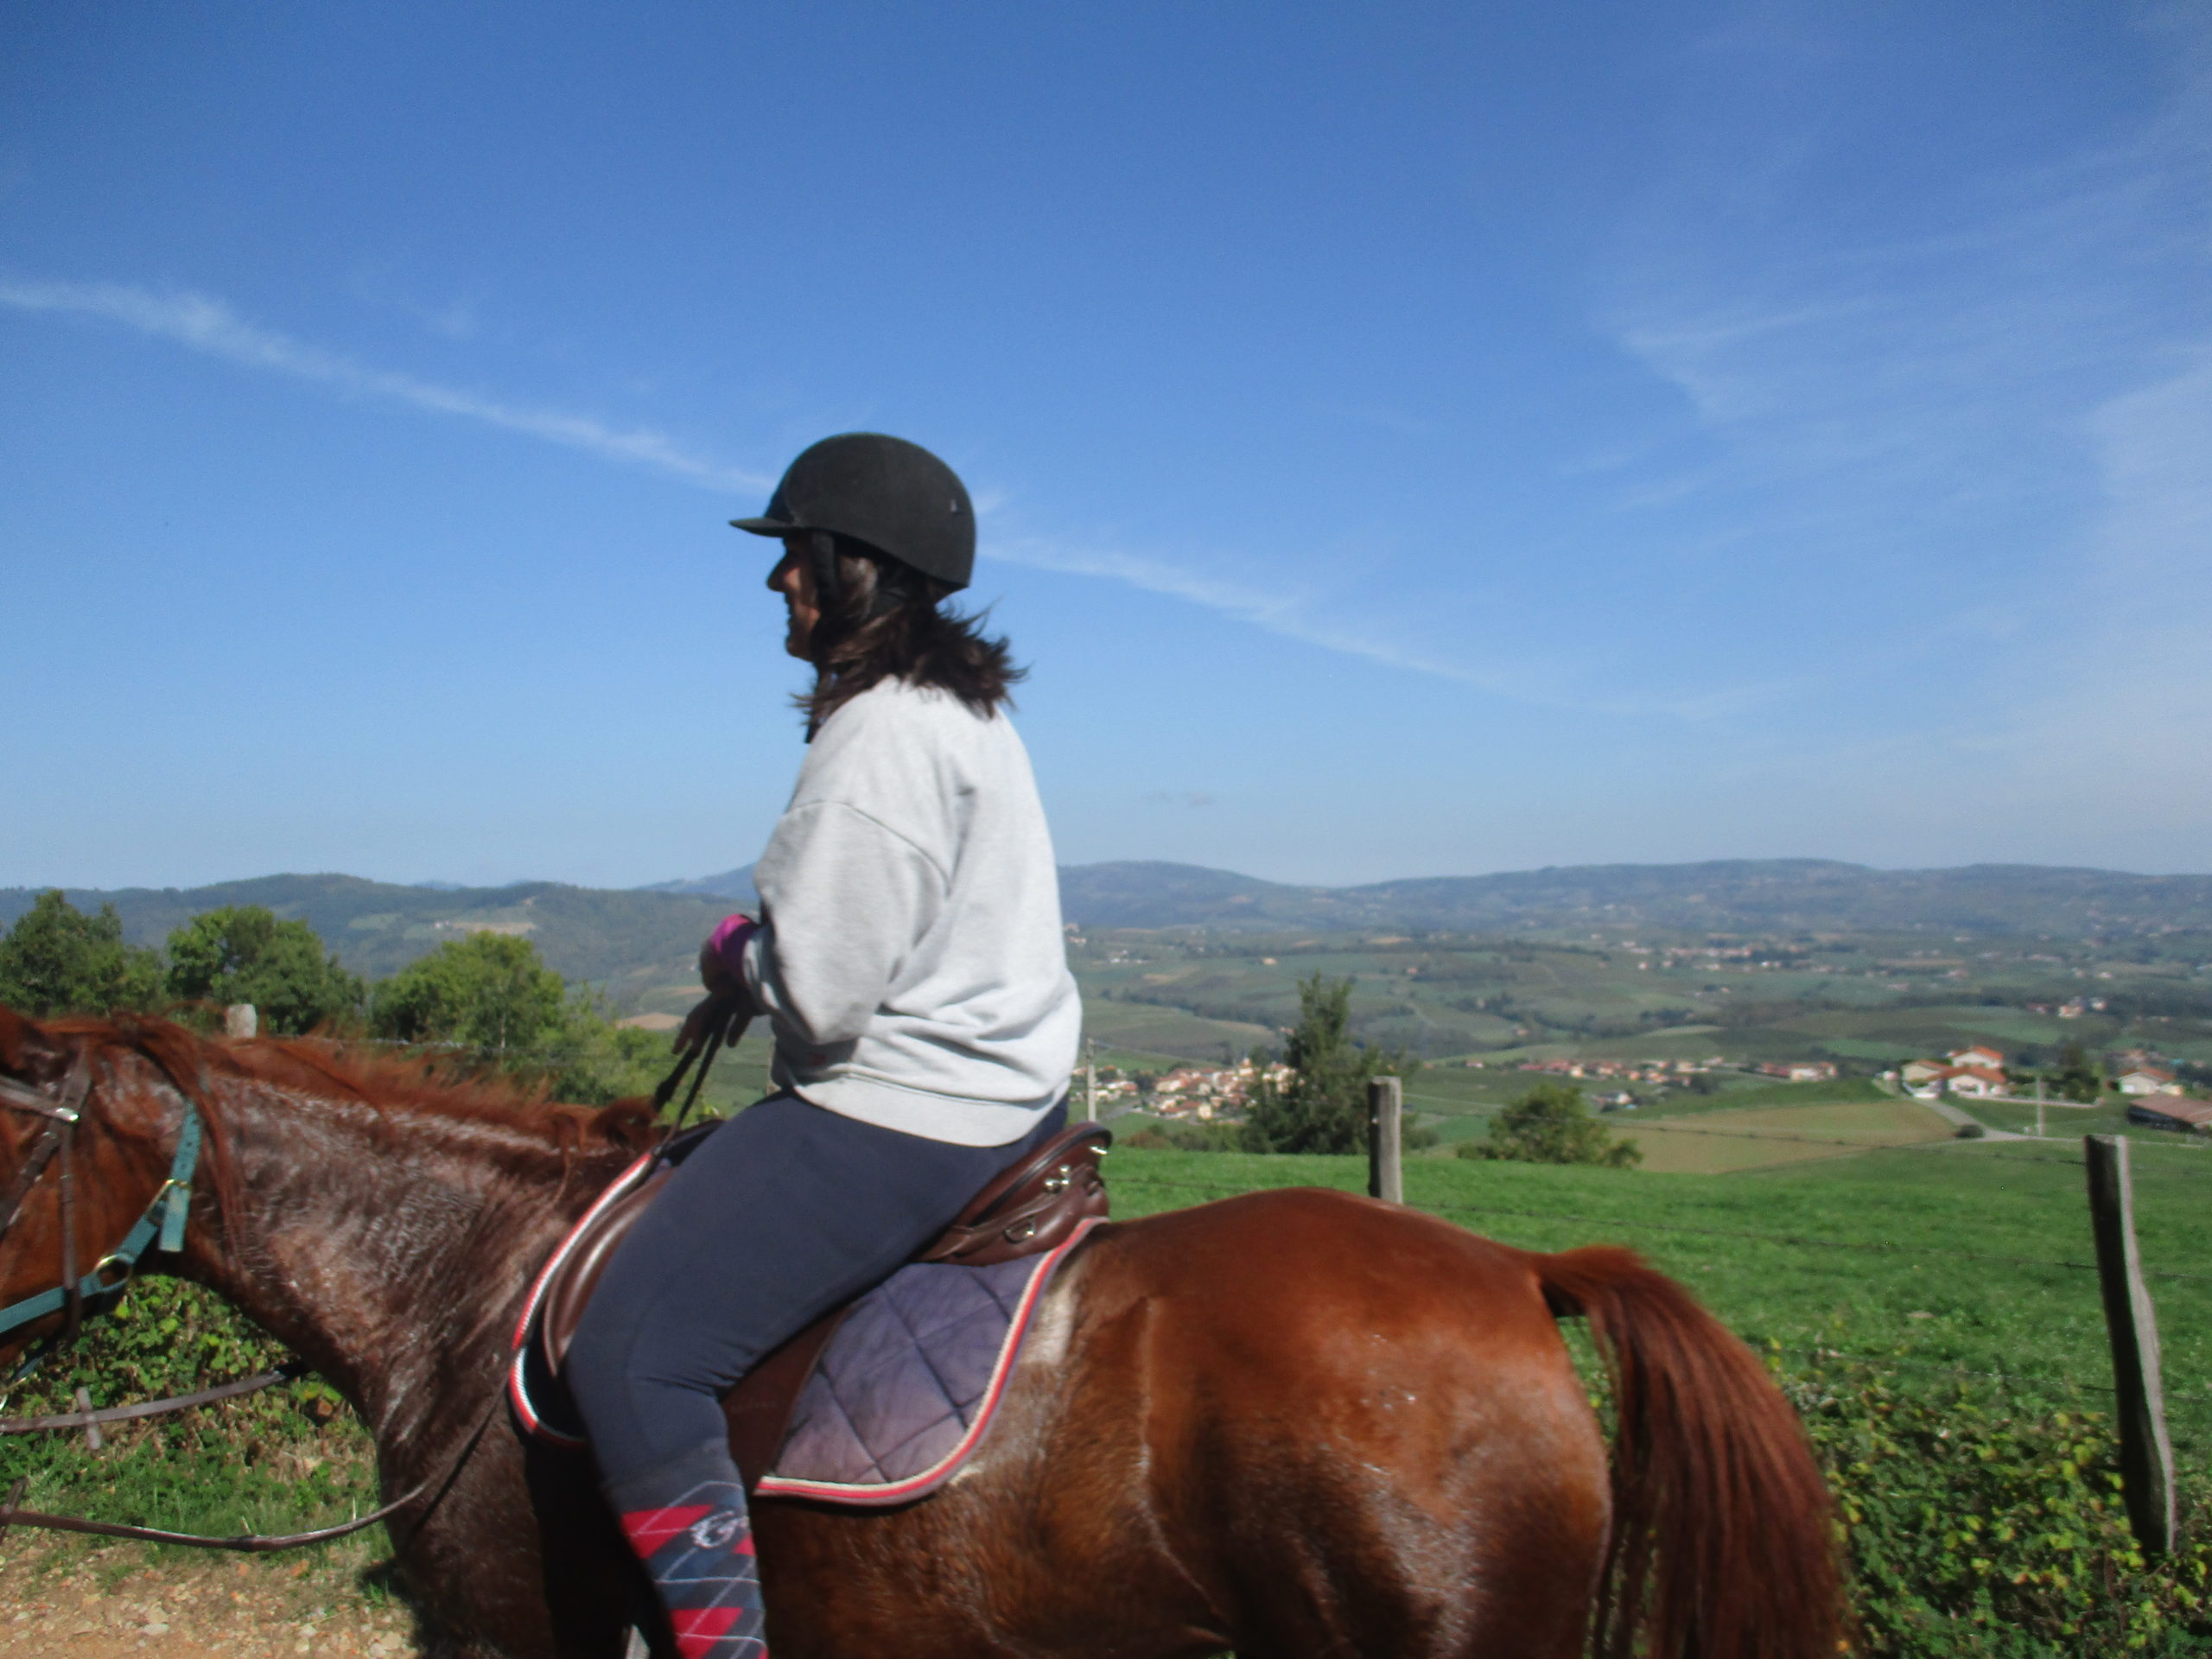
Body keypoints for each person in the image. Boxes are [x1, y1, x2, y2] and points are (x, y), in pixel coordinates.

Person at [564, 434, 1081, 1659]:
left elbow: (823, 993)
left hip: (901, 1113)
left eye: (793, 553)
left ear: (855, 565)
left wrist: (726, 957)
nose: (775, 580)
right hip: (1014, 1103)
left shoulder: (880, 734)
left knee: (633, 1353)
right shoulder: (963, 712)